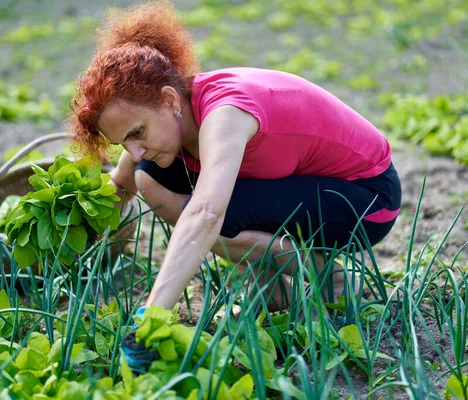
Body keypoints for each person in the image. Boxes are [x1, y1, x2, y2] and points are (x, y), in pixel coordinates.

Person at [70, 0, 401, 368]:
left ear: (168, 99)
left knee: (216, 220)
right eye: (123, 143)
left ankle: (331, 281)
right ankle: (273, 292)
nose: (133, 149)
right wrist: (74, 242)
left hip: (367, 196)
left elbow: (207, 213)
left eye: (138, 133)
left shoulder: (225, 114)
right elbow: (123, 184)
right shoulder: (174, 110)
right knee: (150, 175)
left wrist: (152, 315)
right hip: (301, 184)